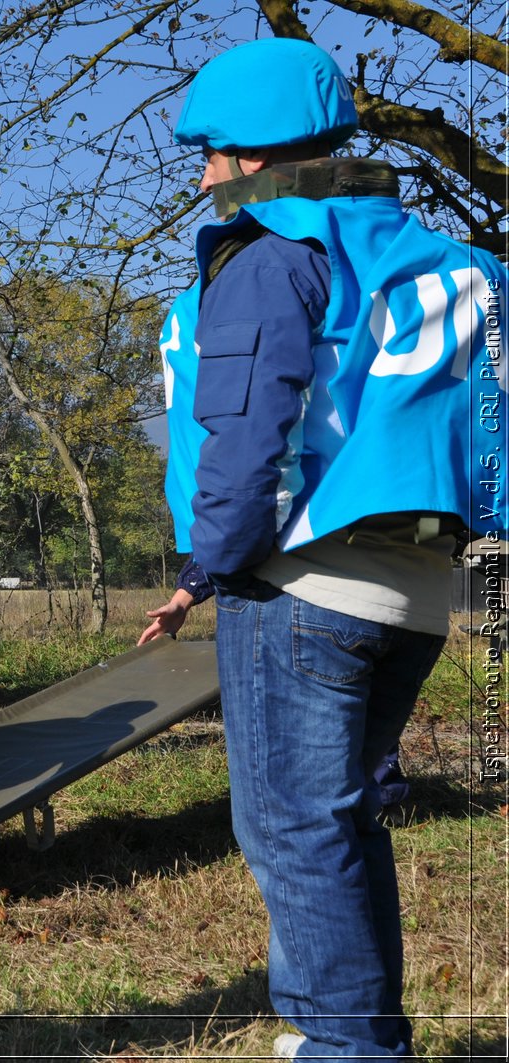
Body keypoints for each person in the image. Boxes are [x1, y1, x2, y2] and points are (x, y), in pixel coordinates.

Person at [163, 38, 504, 1059]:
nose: (204, 175)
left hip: (303, 580)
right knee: (343, 821)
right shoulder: (438, 259)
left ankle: (346, 1046)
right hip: (417, 587)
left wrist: (216, 561)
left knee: (291, 830)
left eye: (210, 154)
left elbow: (246, 424)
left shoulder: (271, 251)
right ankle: (359, 1036)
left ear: (249, 154)